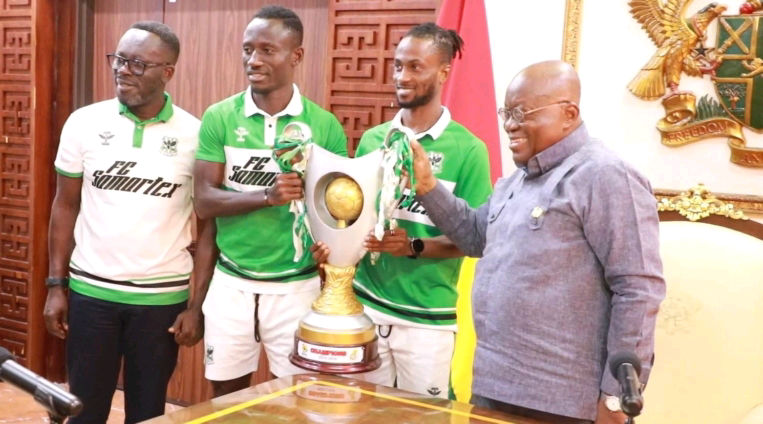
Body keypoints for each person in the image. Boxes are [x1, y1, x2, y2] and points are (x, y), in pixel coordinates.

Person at [406, 60, 666, 423]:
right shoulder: (515, 181)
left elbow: (638, 287)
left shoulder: (604, 175)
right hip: (493, 387)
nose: (509, 124)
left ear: (568, 114)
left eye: (521, 113)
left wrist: (614, 396)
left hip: (563, 402)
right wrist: (428, 187)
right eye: (506, 113)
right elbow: (475, 238)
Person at [312, 22, 492, 398]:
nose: (402, 76)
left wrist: (411, 246)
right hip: (365, 305)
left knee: (422, 418)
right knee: (360, 412)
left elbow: (476, 238)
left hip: (426, 319)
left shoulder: (469, 150)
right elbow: (356, 219)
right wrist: (332, 244)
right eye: (398, 66)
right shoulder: (373, 139)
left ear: (443, 72)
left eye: (415, 67)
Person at [44, 22, 207, 423]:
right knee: (83, 411)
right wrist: (56, 285)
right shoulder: (83, 122)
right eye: (118, 60)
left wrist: (196, 306)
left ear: (167, 71)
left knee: (147, 412)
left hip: (160, 302)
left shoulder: (195, 135)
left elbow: (208, 226)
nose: (122, 70)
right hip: (91, 294)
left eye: (137, 63)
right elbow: (64, 206)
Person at [193, 5, 348, 397]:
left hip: (297, 287)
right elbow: (204, 202)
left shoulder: (324, 125)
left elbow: (336, 211)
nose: (253, 60)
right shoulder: (219, 117)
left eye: (266, 50)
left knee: (297, 399)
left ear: (296, 56)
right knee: (226, 399)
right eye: (248, 49)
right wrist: (266, 196)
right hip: (231, 283)